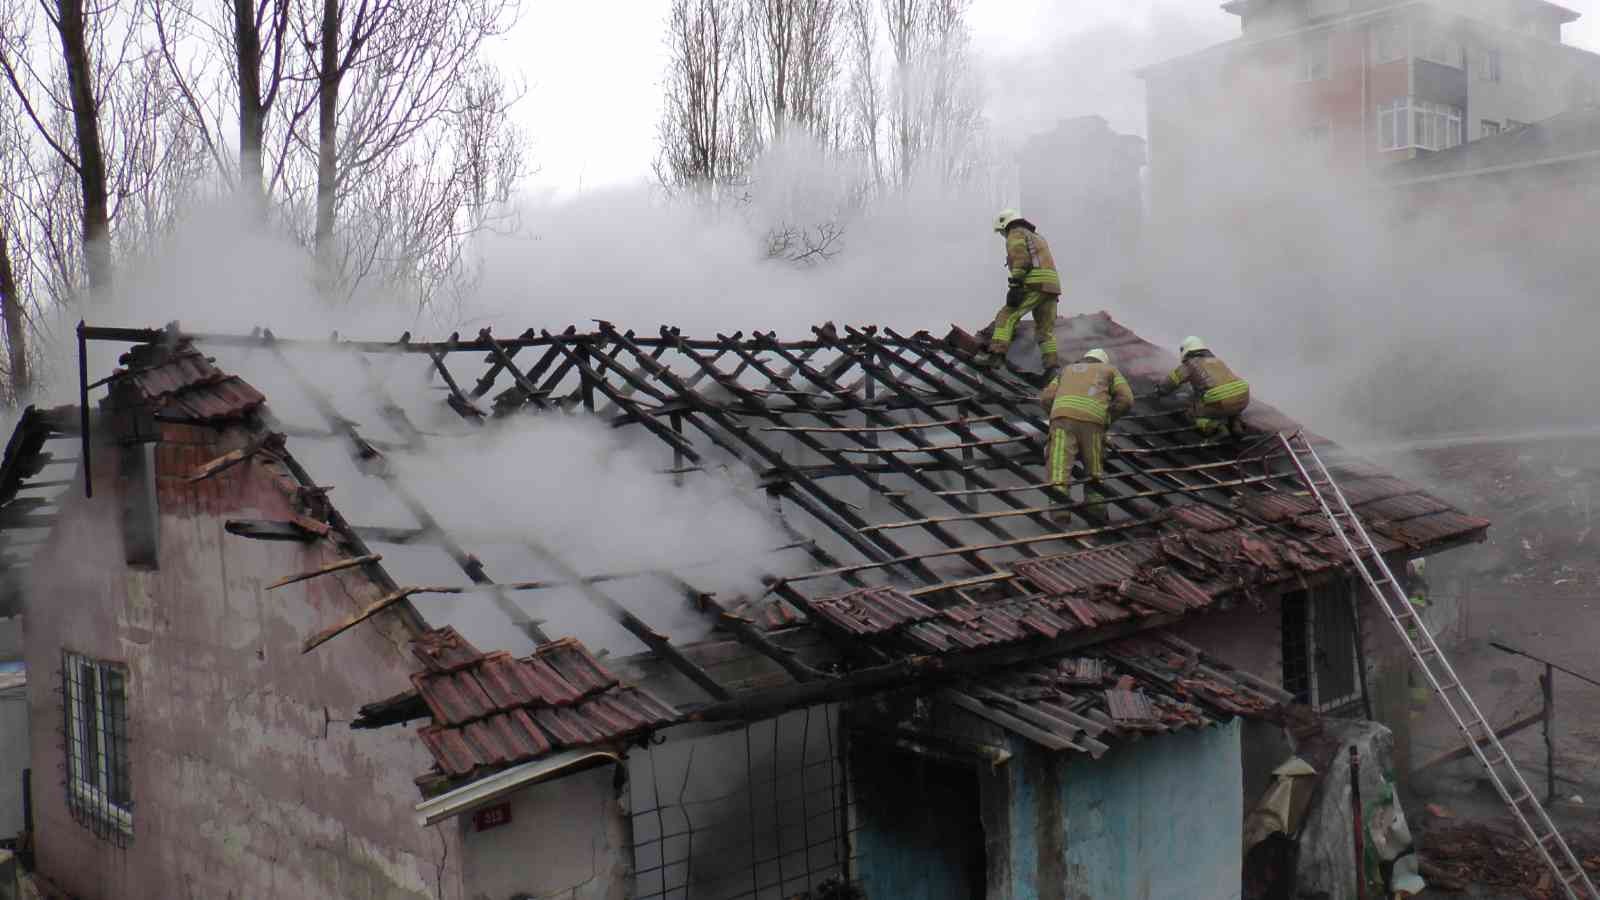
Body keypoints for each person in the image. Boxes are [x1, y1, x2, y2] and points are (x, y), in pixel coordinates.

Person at [1038, 348, 1132, 527]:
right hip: (1093, 423)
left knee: (1059, 467)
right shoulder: (1110, 370)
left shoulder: (1067, 370)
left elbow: (1046, 398)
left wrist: (1058, 413)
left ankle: (1060, 514)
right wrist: (1109, 417)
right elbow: (1127, 399)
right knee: (1094, 469)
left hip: (1062, 421)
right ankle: (1096, 513)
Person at [974, 209, 1061, 370]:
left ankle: (996, 355)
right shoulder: (1037, 237)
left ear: (1005, 224)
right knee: (1045, 330)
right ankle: (1052, 367)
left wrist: (1015, 285)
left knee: (1006, 316)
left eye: (1001, 232)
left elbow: (1020, 259)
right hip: (1051, 287)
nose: (1003, 235)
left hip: (1034, 284)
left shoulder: (1016, 233)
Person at [1154, 335, 1251, 438]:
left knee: (1192, 414)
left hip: (1220, 399)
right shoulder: (1217, 361)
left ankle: (1217, 428)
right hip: (1243, 396)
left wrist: (1160, 390)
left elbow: (1171, 382)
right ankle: (1237, 427)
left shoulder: (1190, 364)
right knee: (1232, 406)